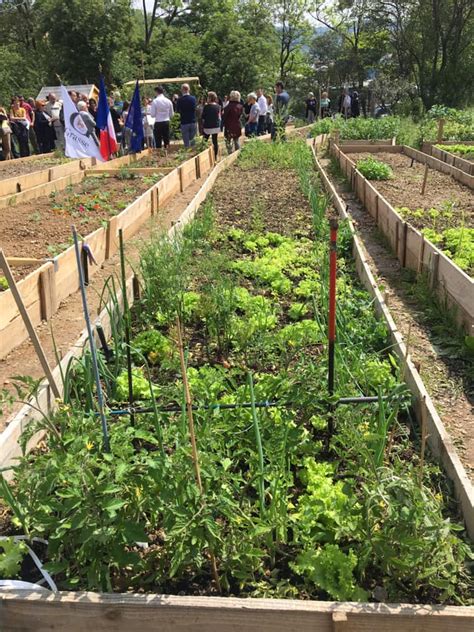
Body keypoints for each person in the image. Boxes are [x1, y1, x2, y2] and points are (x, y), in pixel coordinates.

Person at [176, 83, 197, 149]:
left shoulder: (179, 100)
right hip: (192, 120)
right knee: (193, 140)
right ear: (189, 89)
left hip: (184, 121)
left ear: (182, 90)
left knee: (186, 142)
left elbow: (177, 110)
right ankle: (194, 153)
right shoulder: (193, 98)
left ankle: (187, 152)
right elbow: (195, 108)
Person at [202, 91, 221, 159]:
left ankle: (203, 155)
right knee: (215, 141)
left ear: (209, 98)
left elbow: (203, 117)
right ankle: (215, 156)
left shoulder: (206, 107)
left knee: (204, 141)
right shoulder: (218, 106)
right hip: (216, 126)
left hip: (208, 127)